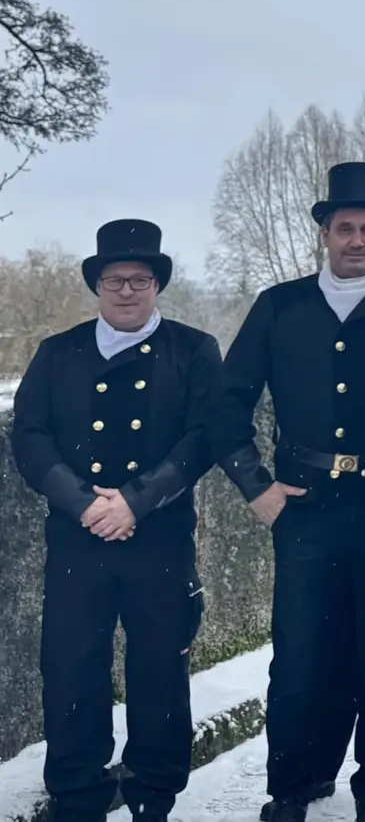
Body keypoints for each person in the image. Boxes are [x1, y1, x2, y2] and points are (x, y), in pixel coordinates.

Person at [208, 162, 365, 822]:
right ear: (325, 234)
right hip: (304, 508)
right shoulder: (279, 306)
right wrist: (256, 488)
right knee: (301, 658)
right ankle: (290, 788)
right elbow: (227, 407)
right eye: (346, 228)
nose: (358, 240)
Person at [10, 220, 220, 822]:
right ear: (96, 286)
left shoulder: (194, 350)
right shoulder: (58, 352)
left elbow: (202, 437)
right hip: (78, 539)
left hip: (159, 537)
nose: (127, 290)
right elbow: (30, 438)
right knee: (72, 665)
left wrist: (135, 500)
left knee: (159, 666)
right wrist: (85, 503)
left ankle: (154, 790)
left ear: (158, 285)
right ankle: (77, 791)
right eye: (115, 280)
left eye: (140, 280)